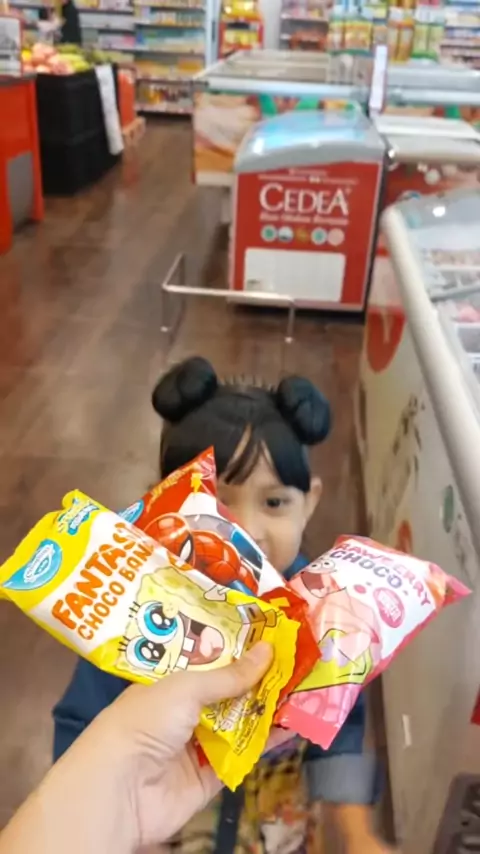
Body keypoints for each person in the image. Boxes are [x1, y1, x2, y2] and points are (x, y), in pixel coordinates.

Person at [52, 357, 393, 854]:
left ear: (310, 502)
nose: (246, 532)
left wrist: (356, 831)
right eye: (214, 502)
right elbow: (80, 727)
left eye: (274, 503)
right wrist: (102, 827)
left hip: (281, 832)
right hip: (160, 831)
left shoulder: (326, 616)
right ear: (163, 501)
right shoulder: (134, 610)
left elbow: (340, 727)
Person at [0, 644, 275, 854]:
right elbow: (83, 718)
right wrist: (110, 803)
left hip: (272, 805)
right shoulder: (141, 620)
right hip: (168, 807)